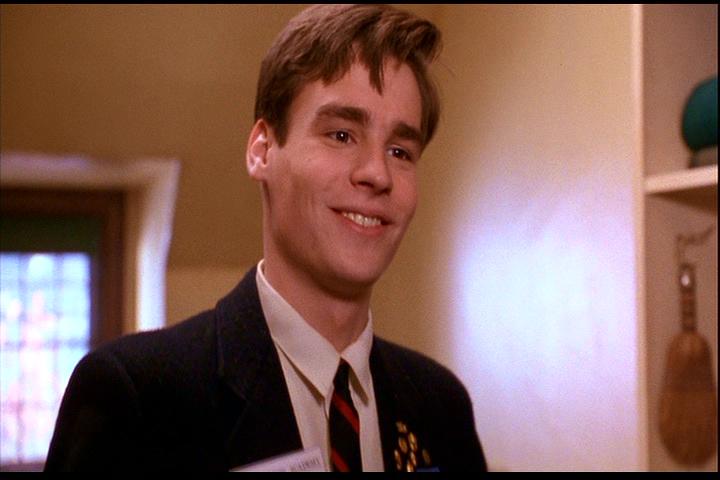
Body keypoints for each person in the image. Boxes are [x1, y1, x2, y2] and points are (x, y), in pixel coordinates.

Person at [44, 4, 487, 472]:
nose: (378, 173)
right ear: (262, 150)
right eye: (341, 135)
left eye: (400, 151)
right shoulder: (137, 399)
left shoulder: (441, 407)